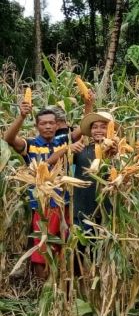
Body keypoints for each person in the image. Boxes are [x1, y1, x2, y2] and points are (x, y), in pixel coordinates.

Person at [3, 90, 94, 279]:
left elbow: (84, 128)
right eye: (43, 123)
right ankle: (42, 287)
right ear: (36, 126)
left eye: (51, 123)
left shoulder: (62, 140)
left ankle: (62, 284)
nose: (48, 127)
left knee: (65, 245)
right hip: (44, 204)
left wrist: (88, 104)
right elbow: (9, 139)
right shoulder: (29, 146)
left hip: (66, 203)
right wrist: (22, 116)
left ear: (57, 125)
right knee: (42, 248)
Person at [70, 111, 117, 281]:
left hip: (107, 212)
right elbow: (56, 159)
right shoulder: (82, 150)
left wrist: (115, 154)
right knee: (78, 252)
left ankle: (101, 288)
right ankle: (77, 287)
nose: (99, 130)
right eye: (95, 127)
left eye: (103, 127)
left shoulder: (118, 153)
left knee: (102, 254)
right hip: (82, 211)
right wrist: (68, 149)